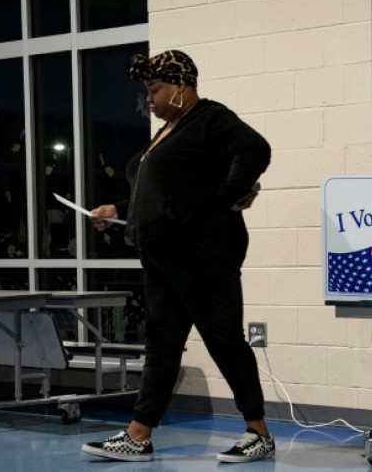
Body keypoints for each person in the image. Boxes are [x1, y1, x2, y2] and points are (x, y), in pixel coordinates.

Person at [81, 49, 273, 463]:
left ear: (182, 87)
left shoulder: (209, 118)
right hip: (163, 257)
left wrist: (223, 198)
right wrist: (118, 209)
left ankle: (258, 432)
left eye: (156, 89)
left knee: (224, 341)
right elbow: (162, 189)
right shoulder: (169, 130)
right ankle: (138, 435)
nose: (149, 99)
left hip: (202, 253)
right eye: (147, 92)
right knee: (162, 345)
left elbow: (255, 149)